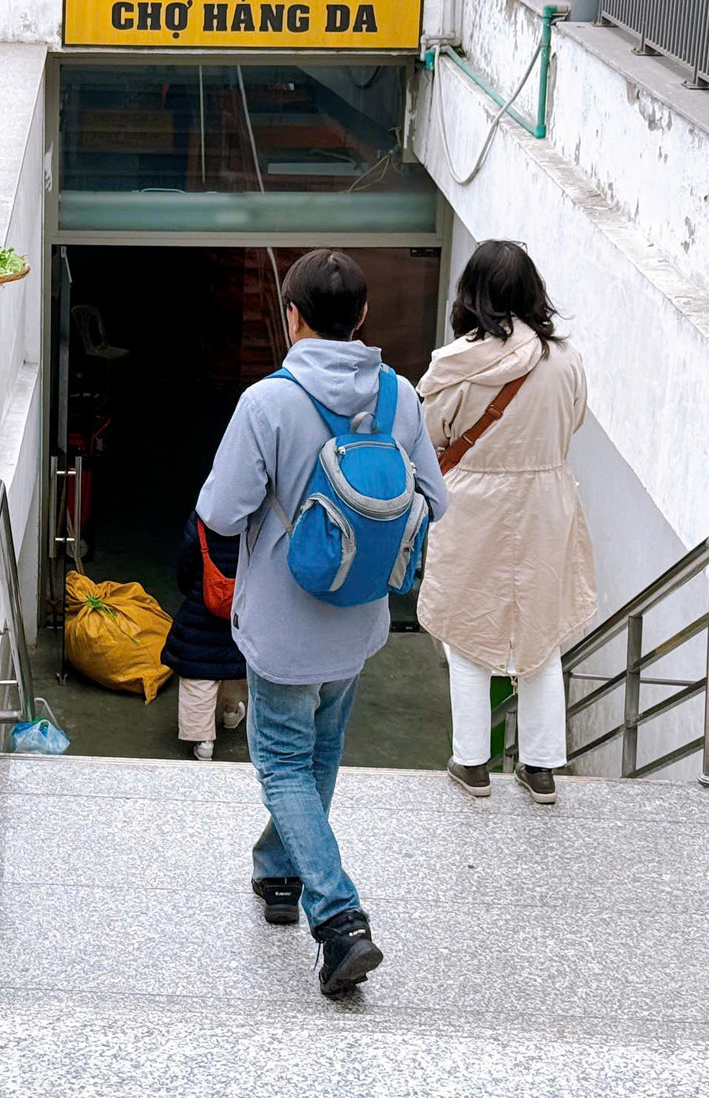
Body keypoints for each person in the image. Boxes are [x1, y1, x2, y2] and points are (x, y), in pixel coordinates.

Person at [197, 249, 446, 998]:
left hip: (281, 625)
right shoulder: (401, 397)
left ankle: (338, 917)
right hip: (360, 619)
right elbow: (434, 498)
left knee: (280, 761)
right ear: (362, 317)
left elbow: (219, 510)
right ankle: (278, 873)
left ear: (292, 315)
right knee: (320, 755)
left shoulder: (267, 402)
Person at [417, 241, 594, 805]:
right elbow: (576, 420)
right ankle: (540, 770)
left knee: (466, 633)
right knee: (541, 636)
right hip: (546, 504)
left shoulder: (455, 363)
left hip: (472, 505)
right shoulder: (564, 361)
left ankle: (472, 764)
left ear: (472, 293)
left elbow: (431, 436)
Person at [160, 512, 246, 761]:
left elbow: (186, 562)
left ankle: (203, 740)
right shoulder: (260, 513)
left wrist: (195, 589)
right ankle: (231, 712)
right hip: (244, 606)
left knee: (198, 672)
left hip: (203, 602)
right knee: (237, 665)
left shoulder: (205, 514)